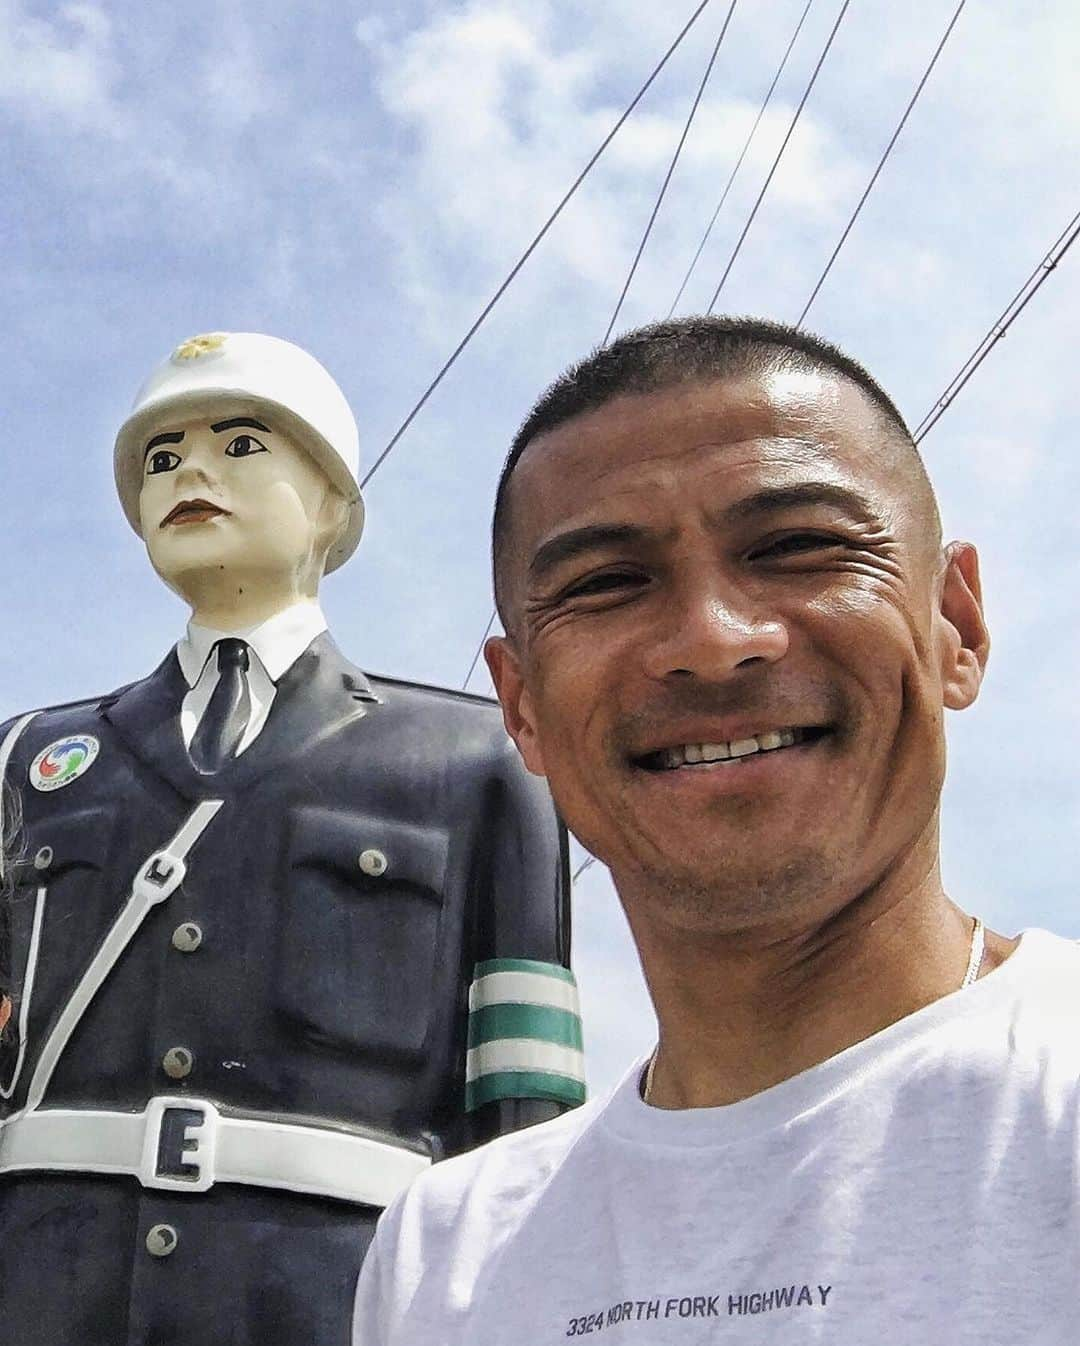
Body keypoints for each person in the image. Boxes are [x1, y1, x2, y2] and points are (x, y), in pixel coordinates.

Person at [354, 314, 1080, 1345]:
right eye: (607, 583)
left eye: (798, 548)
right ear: (521, 707)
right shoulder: (447, 1253)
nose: (712, 638)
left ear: (956, 623)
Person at [0, 331, 584, 1345]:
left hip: (336, 1297)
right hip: (44, 1285)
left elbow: (526, 1109)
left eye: (238, 443)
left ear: (333, 505)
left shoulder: (481, 761)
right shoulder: (32, 756)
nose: (189, 470)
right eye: (161, 456)